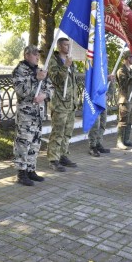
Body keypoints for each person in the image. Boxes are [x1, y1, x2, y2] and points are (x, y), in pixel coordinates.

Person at [12, 45, 53, 186]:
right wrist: (35, 78)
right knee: (24, 143)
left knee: (35, 143)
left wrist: (44, 95)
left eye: (38, 54)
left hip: (38, 114)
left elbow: (51, 88)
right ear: (26, 55)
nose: (37, 56)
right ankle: (21, 172)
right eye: (35, 54)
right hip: (26, 114)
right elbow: (20, 90)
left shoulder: (40, 70)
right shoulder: (19, 71)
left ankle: (31, 169)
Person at [47, 37, 78, 171]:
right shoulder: (54, 61)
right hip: (60, 103)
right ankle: (53, 159)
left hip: (70, 103)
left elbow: (73, 83)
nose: (68, 47)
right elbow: (57, 80)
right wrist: (65, 66)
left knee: (67, 132)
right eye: (65, 45)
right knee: (57, 132)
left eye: (69, 45)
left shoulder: (71, 61)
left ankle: (63, 155)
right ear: (59, 46)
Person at [116, 51, 132, 149]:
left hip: (131, 99)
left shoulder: (130, 70)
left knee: (130, 121)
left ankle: (126, 139)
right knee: (123, 120)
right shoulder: (121, 70)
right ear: (128, 58)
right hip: (125, 99)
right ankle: (119, 141)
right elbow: (124, 84)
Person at [87, 73, 115, 157]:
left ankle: (98, 143)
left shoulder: (106, 69)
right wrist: (106, 78)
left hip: (103, 101)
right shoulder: (94, 68)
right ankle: (92, 146)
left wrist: (108, 96)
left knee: (102, 123)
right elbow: (92, 82)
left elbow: (111, 86)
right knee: (95, 124)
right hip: (94, 101)